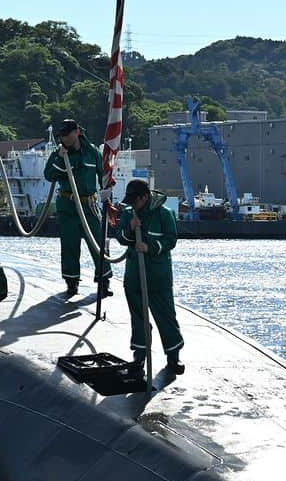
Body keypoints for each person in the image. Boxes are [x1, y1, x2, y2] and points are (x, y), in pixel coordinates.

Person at [115, 179, 184, 375]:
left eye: (134, 201)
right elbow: (120, 237)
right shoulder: (130, 213)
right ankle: (139, 355)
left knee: (166, 314)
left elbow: (171, 240)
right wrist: (130, 227)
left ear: (145, 197)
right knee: (138, 317)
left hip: (158, 275)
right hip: (134, 275)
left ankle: (173, 356)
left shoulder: (164, 214)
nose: (132, 205)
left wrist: (150, 247)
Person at [43, 119, 112, 297]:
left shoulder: (92, 153)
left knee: (98, 244)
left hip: (89, 205)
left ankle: (104, 280)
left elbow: (103, 176)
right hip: (68, 206)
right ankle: (71, 283)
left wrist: (107, 197)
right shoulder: (59, 153)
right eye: (62, 136)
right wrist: (60, 157)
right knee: (70, 246)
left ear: (77, 132)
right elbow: (49, 175)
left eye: (67, 135)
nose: (64, 139)